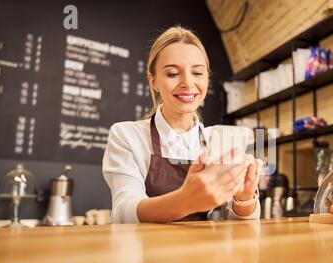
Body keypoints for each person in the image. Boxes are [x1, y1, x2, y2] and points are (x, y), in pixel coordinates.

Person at [102, 26, 262, 223]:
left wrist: (244, 198)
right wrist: (186, 201)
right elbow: (124, 212)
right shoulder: (126, 135)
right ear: (153, 81)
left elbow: (241, 225)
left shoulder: (219, 140)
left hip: (204, 253)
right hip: (146, 252)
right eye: (172, 74)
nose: (187, 83)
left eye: (197, 73)